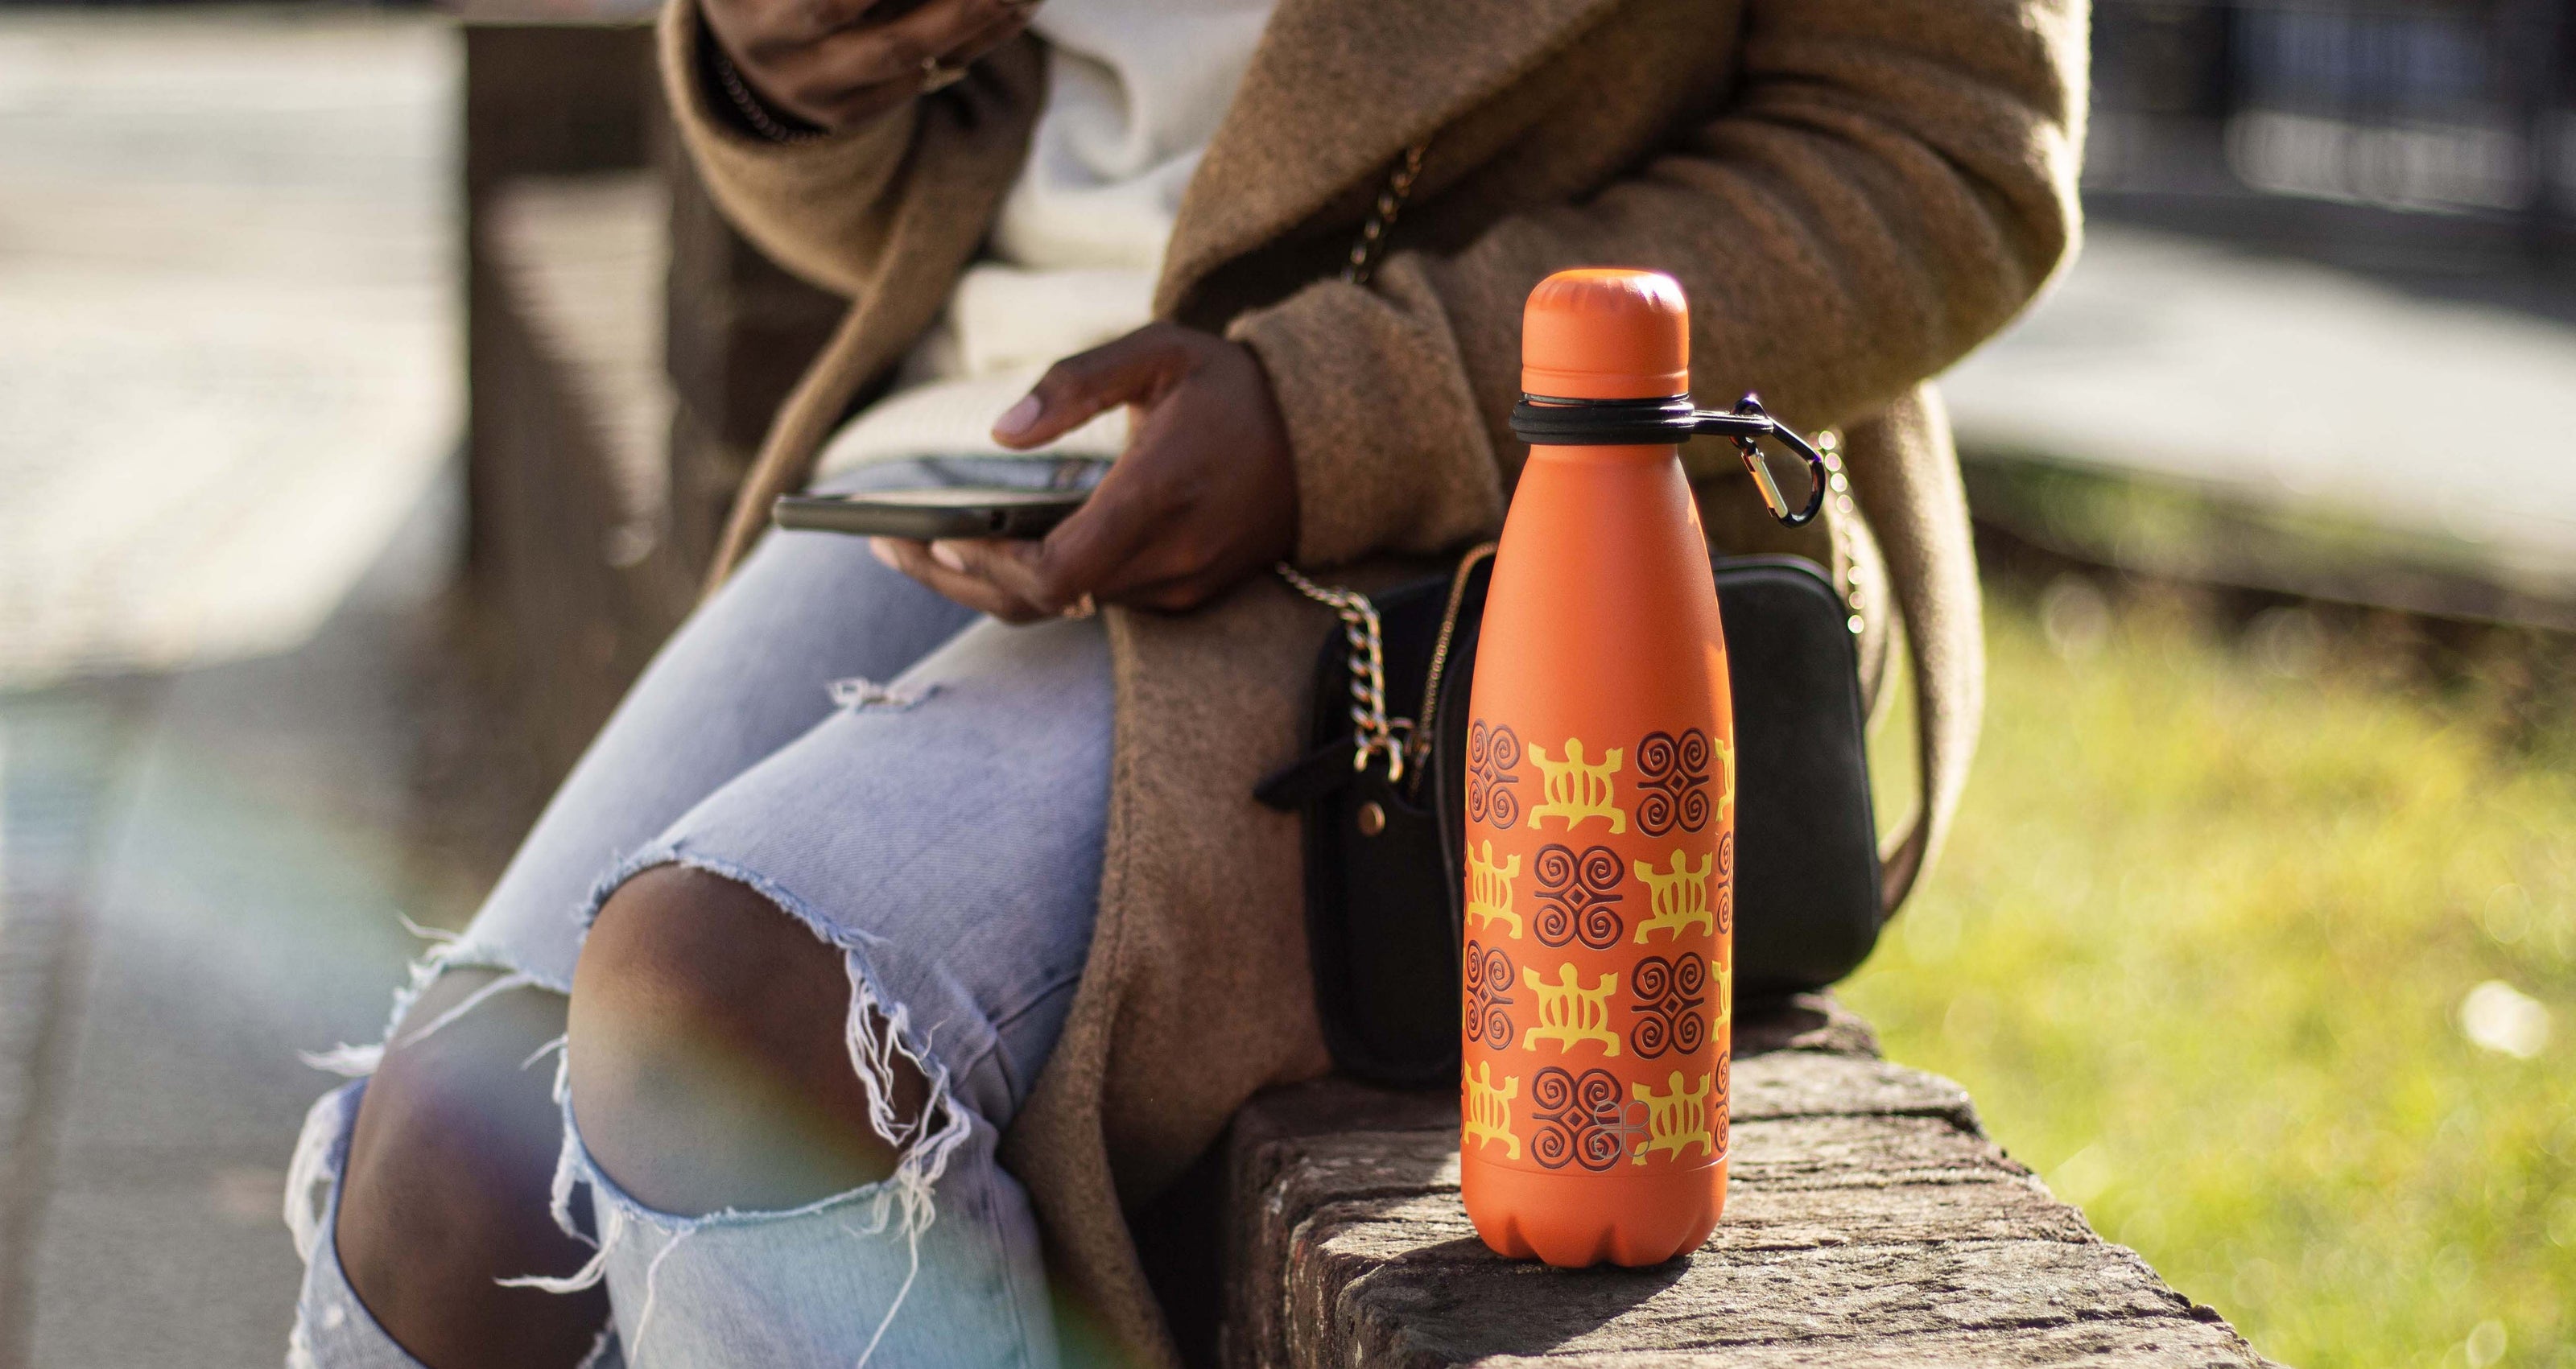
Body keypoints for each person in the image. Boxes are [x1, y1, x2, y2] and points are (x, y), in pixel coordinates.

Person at [283, 0, 2086, 1363]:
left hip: (1491, 540)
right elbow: (959, 190)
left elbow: (1954, 151)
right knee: (448, 1160)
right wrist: (788, 69)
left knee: (723, 1001)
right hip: (972, 436)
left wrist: (1333, 410)